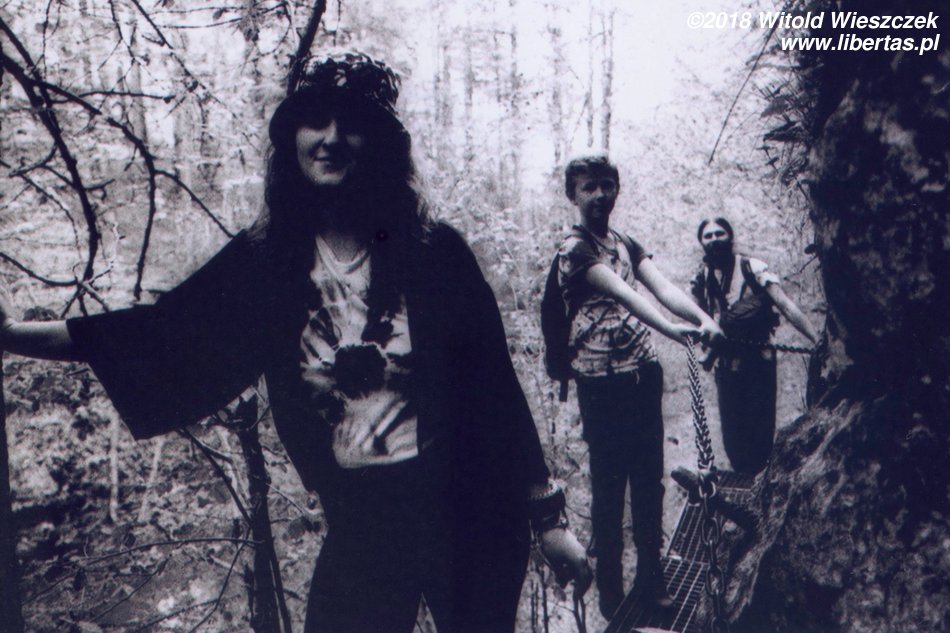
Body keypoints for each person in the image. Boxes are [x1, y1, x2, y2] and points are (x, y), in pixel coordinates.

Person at [0, 53, 590, 633]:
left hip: (467, 506)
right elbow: (157, 333)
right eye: (315, 120)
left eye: (351, 123)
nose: (331, 138)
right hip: (361, 518)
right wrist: (10, 335)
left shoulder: (435, 254)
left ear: (380, 144)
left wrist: (550, 521)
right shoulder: (268, 262)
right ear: (292, 139)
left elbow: (496, 390)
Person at [552, 155, 722, 618]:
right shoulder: (574, 250)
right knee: (609, 489)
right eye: (589, 187)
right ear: (573, 195)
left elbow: (661, 288)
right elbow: (623, 294)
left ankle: (653, 579)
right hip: (600, 385)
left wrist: (703, 319)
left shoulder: (624, 242)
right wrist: (676, 331)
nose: (599, 195)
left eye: (607, 185)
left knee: (649, 483)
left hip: (642, 375)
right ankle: (611, 590)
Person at [690, 217, 820, 476]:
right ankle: (746, 488)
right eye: (708, 236)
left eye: (720, 233)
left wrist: (816, 340)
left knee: (760, 436)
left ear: (730, 237)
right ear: (702, 242)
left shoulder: (752, 268)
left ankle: (761, 485)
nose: (715, 240)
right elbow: (697, 317)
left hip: (758, 363)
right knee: (733, 439)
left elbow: (785, 305)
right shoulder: (701, 279)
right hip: (727, 367)